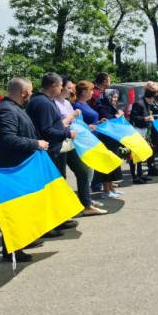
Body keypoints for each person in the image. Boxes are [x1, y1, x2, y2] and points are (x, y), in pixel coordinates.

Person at [0, 77, 49, 262]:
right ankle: (11, 251)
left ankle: (23, 241)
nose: (31, 95)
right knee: (14, 211)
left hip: (21, 168)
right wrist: (36, 143)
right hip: (11, 169)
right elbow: (8, 139)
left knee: (23, 209)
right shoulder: (6, 110)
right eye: (30, 92)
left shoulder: (14, 108)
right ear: (23, 93)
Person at [26, 73, 79, 235]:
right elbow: (47, 130)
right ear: (54, 86)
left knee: (55, 188)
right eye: (61, 85)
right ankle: (48, 225)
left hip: (52, 152)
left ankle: (59, 219)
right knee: (47, 191)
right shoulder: (43, 103)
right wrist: (67, 134)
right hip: (47, 153)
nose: (62, 88)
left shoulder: (43, 101)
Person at [56, 78, 105, 216]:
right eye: (69, 87)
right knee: (61, 177)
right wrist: (72, 116)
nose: (72, 90)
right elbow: (59, 124)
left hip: (71, 143)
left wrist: (86, 127)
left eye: (72, 87)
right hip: (60, 144)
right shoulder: (53, 104)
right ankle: (63, 211)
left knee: (83, 172)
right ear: (60, 88)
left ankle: (86, 204)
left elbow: (76, 122)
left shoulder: (66, 103)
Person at [94, 89, 125, 198]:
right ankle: (106, 190)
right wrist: (118, 116)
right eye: (114, 97)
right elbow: (107, 121)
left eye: (116, 97)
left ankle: (112, 188)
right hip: (105, 140)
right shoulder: (101, 106)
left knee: (113, 164)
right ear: (108, 97)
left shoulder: (112, 107)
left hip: (113, 140)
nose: (115, 99)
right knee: (107, 164)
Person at [129, 82, 158, 183]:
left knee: (141, 154)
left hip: (144, 130)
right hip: (137, 131)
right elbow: (133, 118)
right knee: (135, 155)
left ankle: (140, 174)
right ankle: (135, 177)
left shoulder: (147, 103)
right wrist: (146, 118)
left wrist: (155, 117)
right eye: (154, 97)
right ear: (151, 96)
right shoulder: (139, 103)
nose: (154, 100)